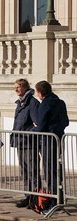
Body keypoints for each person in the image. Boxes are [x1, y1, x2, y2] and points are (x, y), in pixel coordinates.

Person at [32, 80, 69, 212]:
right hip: (59, 137)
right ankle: (60, 198)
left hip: (48, 140)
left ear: (41, 93)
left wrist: (32, 129)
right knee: (58, 170)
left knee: (50, 172)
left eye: (37, 93)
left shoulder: (45, 104)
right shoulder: (61, 102)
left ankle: (55, 202)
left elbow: (41, 126)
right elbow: (66, 122)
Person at [10, 78, 41, 208]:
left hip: (29, 142)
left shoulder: (32, 102)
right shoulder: (20, 103)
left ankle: (36, 198)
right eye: (15, 87)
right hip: (20, 142)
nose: (16, 89)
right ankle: (27, 196)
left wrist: (27, 133)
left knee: (33, 171)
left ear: (25, 88)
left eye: (19, 87)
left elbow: (37, 124)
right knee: (24, 171)